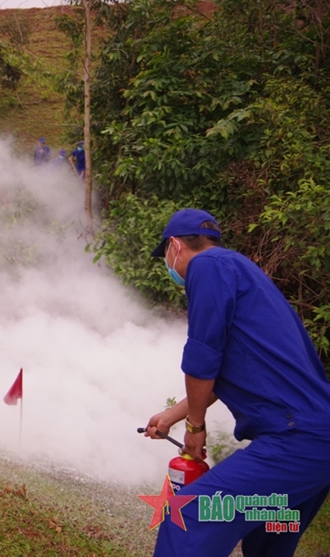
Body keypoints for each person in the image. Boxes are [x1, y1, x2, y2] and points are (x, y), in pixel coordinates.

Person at [143, 209, 330, 557]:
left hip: (295, 438)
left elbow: (204, 353)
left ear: (174, 246)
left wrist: (195, 426)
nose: (169, 265)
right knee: (267, 540)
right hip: (318, 442)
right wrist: (174, 414)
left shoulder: (207, 267)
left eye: (165, 257)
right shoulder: (240, 270)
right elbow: (224, 363)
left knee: (187, 517)